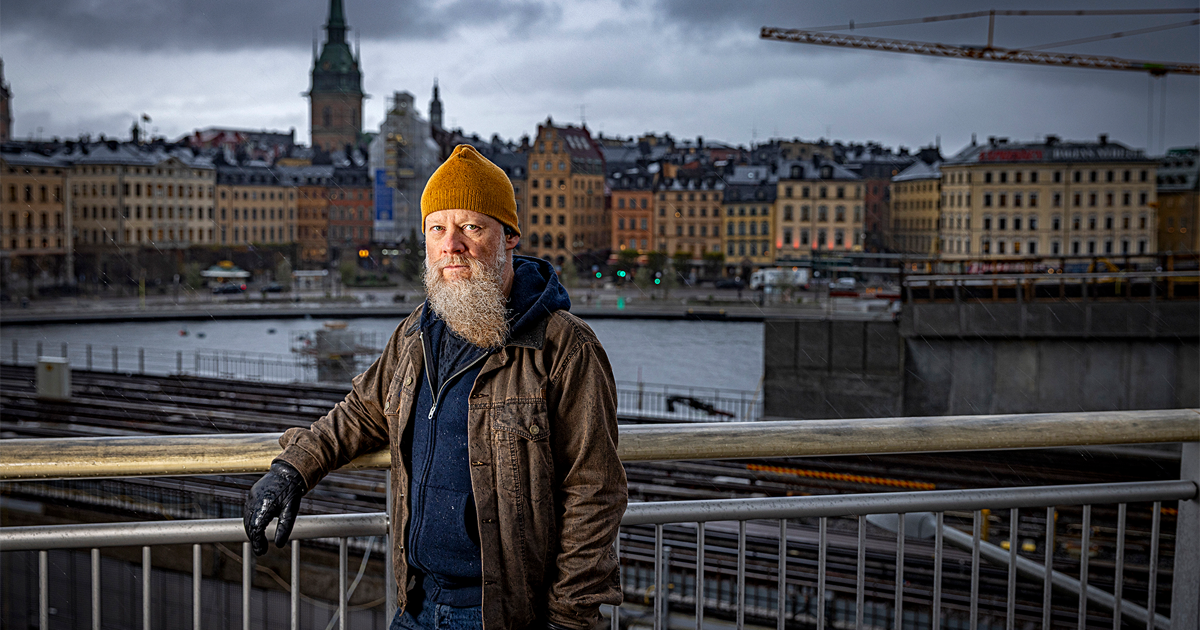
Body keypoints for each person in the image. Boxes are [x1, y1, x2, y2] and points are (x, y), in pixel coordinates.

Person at [243, 144, 627, 630]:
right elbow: (363, 413)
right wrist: (291, 469)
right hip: (415, 603)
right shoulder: (415, 334)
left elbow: (595, 492)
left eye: (471, 227)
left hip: (502, 616)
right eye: (437, 228)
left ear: (509, 237)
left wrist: (569, 620)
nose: (452, 246)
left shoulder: (563, 346)